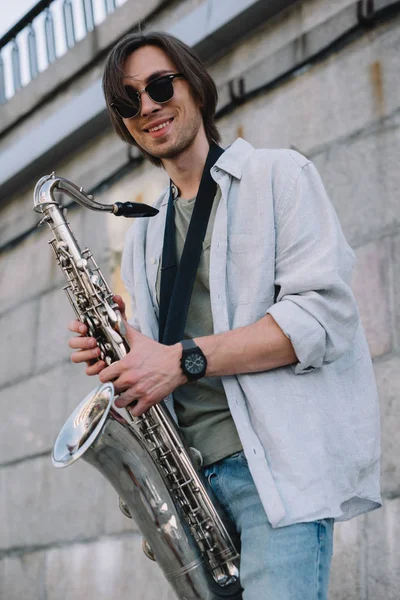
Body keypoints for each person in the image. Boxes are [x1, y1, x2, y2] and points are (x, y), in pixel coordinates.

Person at [68, 31, 381, 599]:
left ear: (194, 82)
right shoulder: (143, 234)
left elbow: (321, 318)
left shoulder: (279, 176)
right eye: (127, 100)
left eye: (160, 85)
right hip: (191, 489)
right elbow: (161, 359)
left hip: (274, 478)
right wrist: (122, 344)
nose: (148, 107)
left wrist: (182, 359)